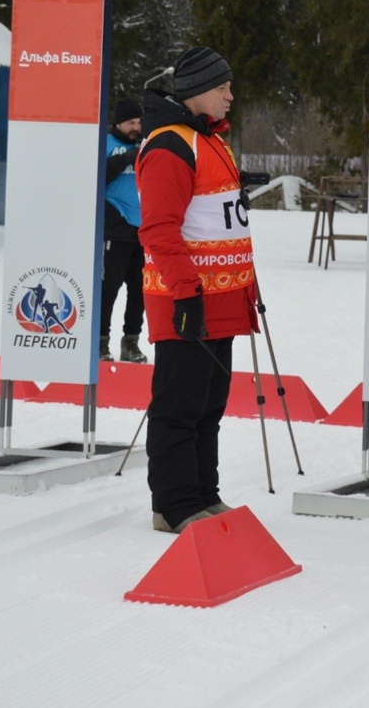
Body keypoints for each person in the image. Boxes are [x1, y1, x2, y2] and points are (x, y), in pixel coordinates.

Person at [136, 47, 257, 534]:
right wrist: (186, 292)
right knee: (179, 405)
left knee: (209, 405)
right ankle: (174, 503)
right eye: (222, 86)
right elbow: (159, 230)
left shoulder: (207, 139)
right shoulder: (169, 145)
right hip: (187, 300)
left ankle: (203, 493)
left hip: (222, 298)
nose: (230, 95)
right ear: (196, 91)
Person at [99, 96, 148, 363]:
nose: (136, 127)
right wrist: (126, 158)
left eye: (139, 122)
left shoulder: (145, 146)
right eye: (131, 122)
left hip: (142, 229)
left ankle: (131, 341)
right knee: (108, 288)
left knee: (139, 290)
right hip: (115, 231)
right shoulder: (105, 145)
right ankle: (100, 342)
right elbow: (97, 177)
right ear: (119, 123)